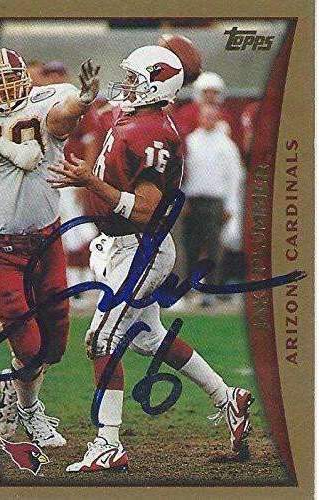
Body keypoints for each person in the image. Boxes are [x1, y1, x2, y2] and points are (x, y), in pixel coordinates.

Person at [48, 45, 252, 472]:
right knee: (148, 337)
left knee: (101, 340)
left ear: (157, 86)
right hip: (121, 246)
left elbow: (143, 210)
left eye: (135, 78)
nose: (127, 85)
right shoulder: (135, 116)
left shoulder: (154, 133)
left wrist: (90, 182)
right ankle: (227, 398)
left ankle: (108, 444)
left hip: (141, 247)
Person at [0, 48, 100, 447]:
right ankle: (30, 411)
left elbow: (60, 116)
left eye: (9, 79)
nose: (4, 89)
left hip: (46, 241)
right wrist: (8, 148)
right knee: (29, 347)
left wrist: (82, 101)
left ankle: (15, 387)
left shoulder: (44, 98)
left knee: (53, 345)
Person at [181, 104, 245, 307]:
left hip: (215, 202)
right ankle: (188, 288)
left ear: (217, 118)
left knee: (213, 247)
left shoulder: (226, 145)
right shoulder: (191, 141)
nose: (208, 120)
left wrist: (231, 206)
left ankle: (211, 290)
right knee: (190, 245)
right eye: (205, 116)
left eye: (212, 117)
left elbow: (234, 177)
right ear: (200, 118)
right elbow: (183, 172)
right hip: (193, 200)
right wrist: (183, 199)